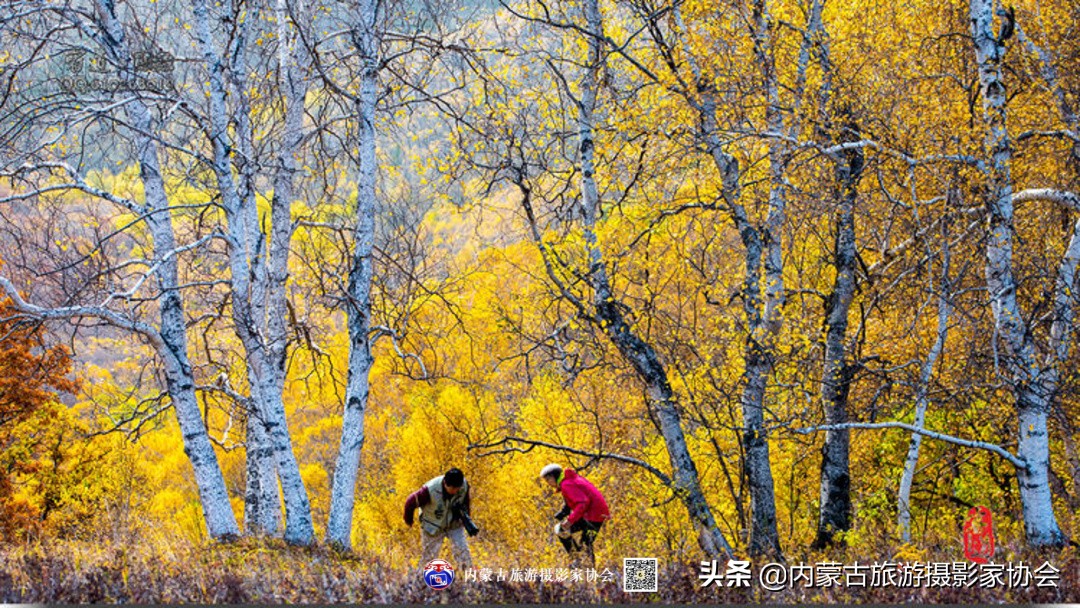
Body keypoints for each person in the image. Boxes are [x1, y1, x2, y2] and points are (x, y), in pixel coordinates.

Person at [404, 467, 475, 570]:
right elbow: (410, 503)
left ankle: (468, 577)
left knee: (462, 551)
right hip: (432, 525)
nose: (455, 491)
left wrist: (466, 518)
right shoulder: (430, 490)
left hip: (453, 524)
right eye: (452, 489)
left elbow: (466, 502)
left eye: (457, 489)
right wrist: (409, 520)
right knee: (429, 557)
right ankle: (422, 580)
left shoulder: (464, 485)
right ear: (445, 483)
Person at [540, 463, 610, 566]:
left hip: (592, 516)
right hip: (596, 514)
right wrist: (564, 511)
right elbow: (573, 498)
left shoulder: (566, 484)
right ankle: (580, 561)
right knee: (584, 542)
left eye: (547, 480)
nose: (548, 483)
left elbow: (583, 503)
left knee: (579, 540)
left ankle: (579, 561)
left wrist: (570, 521)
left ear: (553, 477)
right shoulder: (569, 480)